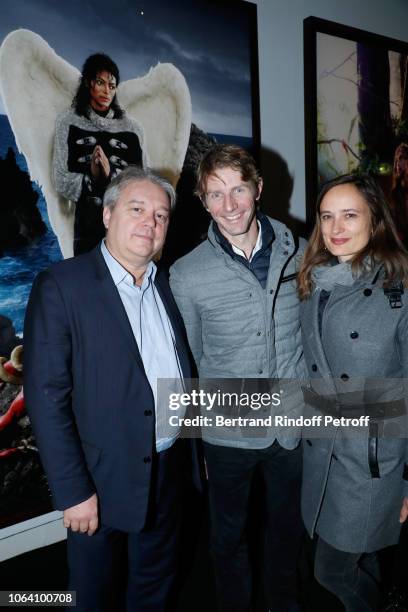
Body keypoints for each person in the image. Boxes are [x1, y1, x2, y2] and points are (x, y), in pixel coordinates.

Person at [24, 166, 200, 611]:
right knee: (92, 596)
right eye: (137, 209)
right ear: (107, 215)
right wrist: (73, 492)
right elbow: (47, 399)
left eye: (161, 216)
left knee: (155, 586)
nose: (150, 223)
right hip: (99, 483)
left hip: (169, 470)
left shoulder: (168, 284)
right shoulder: (63, 285)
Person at [170, 144, 306, 612]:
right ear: (203, 201)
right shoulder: (185, 275)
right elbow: (188, 363)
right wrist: (196, 445)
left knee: (286, 537)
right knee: (227, 542)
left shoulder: (302, 253)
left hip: (291, 430)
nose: (229, 205)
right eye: (215, 194)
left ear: (258, 189)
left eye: (239, 189)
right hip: (226, 435)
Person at [297, 173, 408, 611]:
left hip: (373, 458)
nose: (336, 228)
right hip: (322, 449)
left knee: (333, 570)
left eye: (349, 215)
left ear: (375, 219)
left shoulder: (398, 286)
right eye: (327, 216)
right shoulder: (313, 281)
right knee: (360, 561)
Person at [52, 53, 148, 255]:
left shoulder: (132, 128)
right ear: (88, 83)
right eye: (100, 83)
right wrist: (93, 179)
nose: (106, 91)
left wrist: (109, 176)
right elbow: (61, 179)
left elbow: (141, 182)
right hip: (86, 225)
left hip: (123, 221)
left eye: (112, 86)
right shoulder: (68, 122)